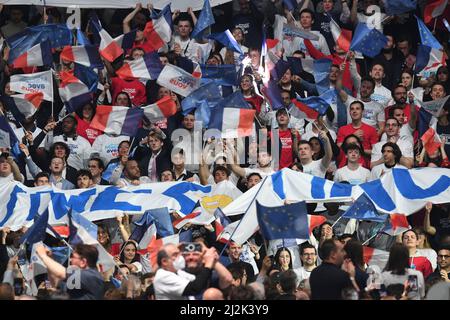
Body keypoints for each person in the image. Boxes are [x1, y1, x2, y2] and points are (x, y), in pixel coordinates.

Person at [35, 243, 105, 300]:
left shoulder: (92, 276)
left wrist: (43, 256)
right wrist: (49, 258)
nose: (70, 260)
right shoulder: (77, 278)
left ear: (83, 262)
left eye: (73, 257)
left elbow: (61, 273)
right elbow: (54, 283)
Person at [153, 243, 217, 300]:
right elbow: (194, 288)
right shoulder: (163, 276)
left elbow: (199, 280)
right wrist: (208, 263)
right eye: (175, 254)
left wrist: (204, 257)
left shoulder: (177, 272)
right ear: (164, 261)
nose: (180, 256)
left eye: (179, 253)